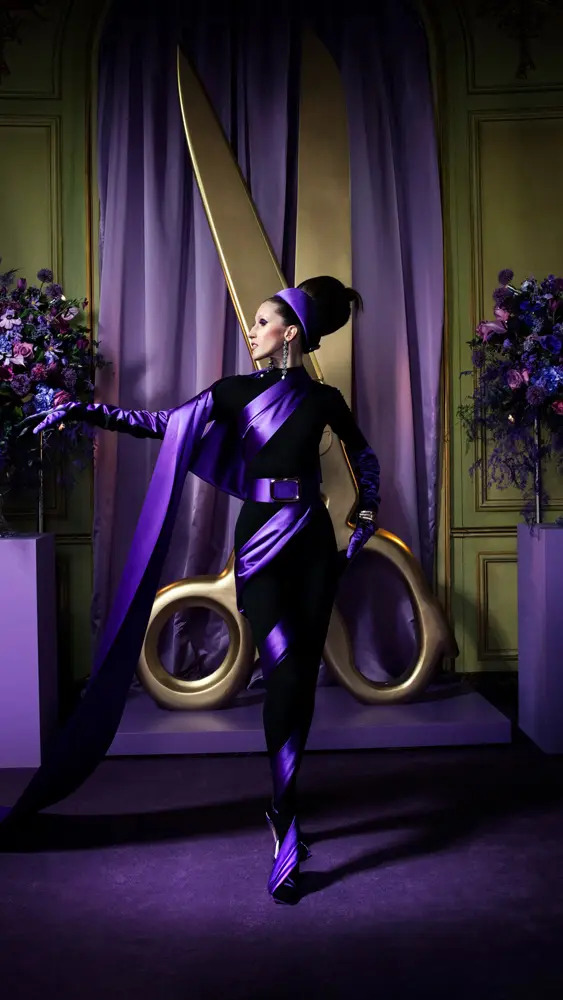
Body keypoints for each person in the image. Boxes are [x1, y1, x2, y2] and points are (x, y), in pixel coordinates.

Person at [6, 275, 381, 905]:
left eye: (262, 322)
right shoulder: (232, 392)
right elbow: (162, 423)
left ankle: (283, 809)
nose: (252, 332)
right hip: (261, 543)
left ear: (291, 332)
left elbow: (363, 456)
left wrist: (366, 510)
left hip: (313, 545)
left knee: (298, 680)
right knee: (284, 670)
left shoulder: (325, 400)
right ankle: (287, 824)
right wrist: (83, 410)